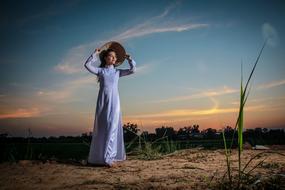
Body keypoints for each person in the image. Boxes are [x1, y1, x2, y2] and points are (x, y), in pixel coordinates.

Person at [84, 47, 136, 167]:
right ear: (106, 58)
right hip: (103, 102)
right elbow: (87, 65)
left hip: (114, 102)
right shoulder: (101, 71)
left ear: (116, 60)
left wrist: (130, 59)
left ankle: (109, 158)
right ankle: (99, 158)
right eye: (110, 56)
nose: (112, 58)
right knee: (102, 128)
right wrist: (94, 54)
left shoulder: (118, 72)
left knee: (112, 127)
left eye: (114, 57)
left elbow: (133, 70)